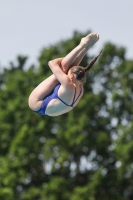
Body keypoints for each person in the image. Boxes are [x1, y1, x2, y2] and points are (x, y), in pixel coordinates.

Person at [28, 33, 101, 117]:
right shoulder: (80, 89)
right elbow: (71, 71)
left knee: (63, 68)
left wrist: (65, 58)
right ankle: (85, 48)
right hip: (46, 111)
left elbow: (52, 63)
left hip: (36, 103)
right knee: (66, 69)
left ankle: (82, 46)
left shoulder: (69, 83)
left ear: (72, 76)